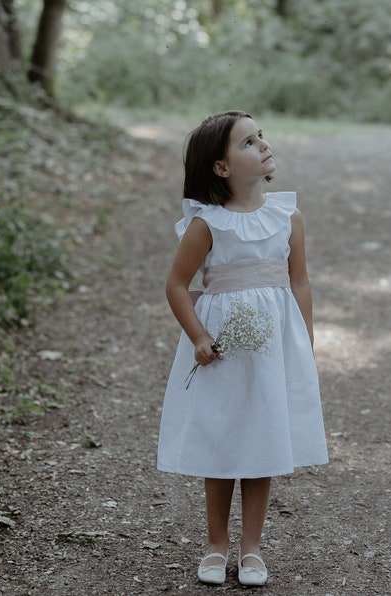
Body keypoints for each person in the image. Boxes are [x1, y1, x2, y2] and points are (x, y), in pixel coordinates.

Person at [157, 111, 328, 586]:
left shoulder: (287, 217)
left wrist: (304, 342)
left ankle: (251, 549)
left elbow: (300, 282)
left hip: (271, 346)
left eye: (261, 137)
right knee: (222, 435)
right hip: (223, 348)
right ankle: (216, 545)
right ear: (221, 167)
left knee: (263, 435)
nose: (263, 145)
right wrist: (198, 337)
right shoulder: (207, 224)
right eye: (248, 142)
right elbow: (176, 285)